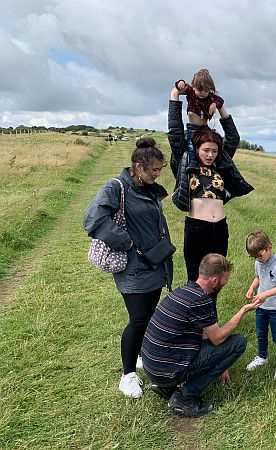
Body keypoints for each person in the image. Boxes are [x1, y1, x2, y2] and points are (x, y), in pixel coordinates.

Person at [83, 137, 173, 399]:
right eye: (153, 170)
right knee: (138, 320)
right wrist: (127, 242)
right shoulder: (117, 187)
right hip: (134, 270)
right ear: (138, 166)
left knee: (148, 316)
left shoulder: (148, 188)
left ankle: (142, 356)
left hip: (154, 265)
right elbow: (92, 218)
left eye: (160, 170)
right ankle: (127, 375)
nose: (158, 174)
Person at [141, 253, 260, 417]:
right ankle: (184, 397)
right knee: (238, 342)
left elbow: (206, 335)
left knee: (219, 345)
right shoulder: (201, 300)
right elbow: (217, 338)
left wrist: (220, 362)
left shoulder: (184, 290)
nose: (226, 282)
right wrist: (243, 310)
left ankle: (166, 387)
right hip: (165, 372)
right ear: (214, 281)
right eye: (226, 279)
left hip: (153, 369)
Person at [168, 85, 253, 289]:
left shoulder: (221, 162)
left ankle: (210, 320)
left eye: (214, 151)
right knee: (195, 282)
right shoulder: (187, 159)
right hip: (197, 229)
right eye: (205, 150)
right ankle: (194, 320)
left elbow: (233, 138)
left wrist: (221, 105)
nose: (210, 155)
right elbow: (175, 132)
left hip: (219, 229)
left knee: (216, 281)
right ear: (197, 149)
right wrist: (174, 96)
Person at [244, 230, 276, 380]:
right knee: (261, 333)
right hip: (261, 306)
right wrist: (252, 287)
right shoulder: (258, 262)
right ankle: (262, 357)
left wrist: (265, 294)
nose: (257, 259)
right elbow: (258, 277)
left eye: (259, 255)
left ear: (269, 247)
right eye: (253, 257)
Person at [175, 69, 224, 167]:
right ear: (193, 87)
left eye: (206, 91)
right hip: (193, 127)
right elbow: (180, 85)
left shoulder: (210, 97)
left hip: (205, 128)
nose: (202, 93)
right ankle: (192, 164)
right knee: (191, 145)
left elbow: (220, 100)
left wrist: (214, 104)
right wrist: (181, 82)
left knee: (210, 144)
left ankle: (212, 163)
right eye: (200, 90)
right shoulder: (190, 91)